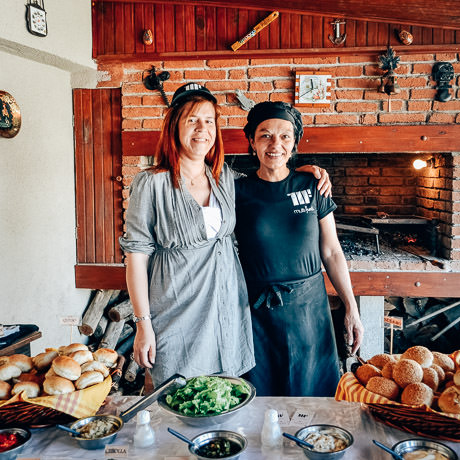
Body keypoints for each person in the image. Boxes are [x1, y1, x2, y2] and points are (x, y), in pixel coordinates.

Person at [119, 83, 330, 387]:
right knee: (179, 398)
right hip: (179, 310)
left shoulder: (224, 179)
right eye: (192, 120)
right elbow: (136, 257)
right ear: (174, 125)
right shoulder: (151, 183)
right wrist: (143, 324)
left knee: (224, 398)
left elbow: (270, 180)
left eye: (209, 120)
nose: (202, 128)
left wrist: (306, 173)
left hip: (227, 310)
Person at [235, 101, 364, 397]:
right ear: (252, 141)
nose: (275, 144)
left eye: (285, 136)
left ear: (294, 143)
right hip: (257, 313)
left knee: (313, 393)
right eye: (265, 135)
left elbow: (331, 252)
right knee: (260, 397)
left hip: (309, 311)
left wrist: (351, 308)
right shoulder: (237, 191)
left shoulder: (312, 185)